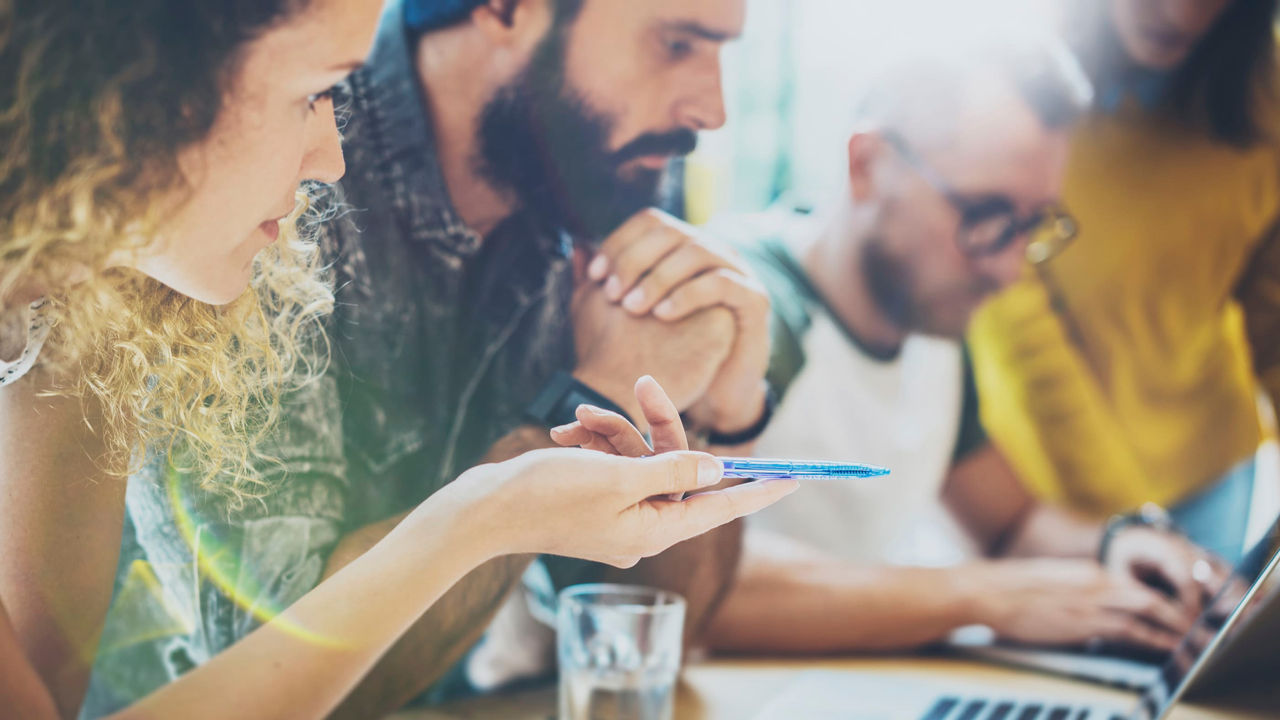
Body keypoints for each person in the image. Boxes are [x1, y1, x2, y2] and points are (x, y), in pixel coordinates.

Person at [0, 1, 796, 718]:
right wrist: (496, 500)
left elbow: (651, 626)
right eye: (315, 93)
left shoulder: (84, 303)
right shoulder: (251, 236)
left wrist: (729, 404)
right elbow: (275, 653)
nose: (331, 158)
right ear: (137, 83)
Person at [617, 37, 1228, 656]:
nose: (1010, 269)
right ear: (867, 164)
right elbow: (691, 586)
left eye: (1032, 225)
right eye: (985, 215)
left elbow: (1010, 523)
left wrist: (1118, 545)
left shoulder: (933, 321)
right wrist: (986, 595)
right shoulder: (735, 310)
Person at [969, 0, 1280, 559]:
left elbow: (1274, 319)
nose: (1181, 15)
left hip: (1212, 468)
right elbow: (1023, 342)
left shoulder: (1268, 97)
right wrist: (1130, 524)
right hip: (1044, 478)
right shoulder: (1016, 77)